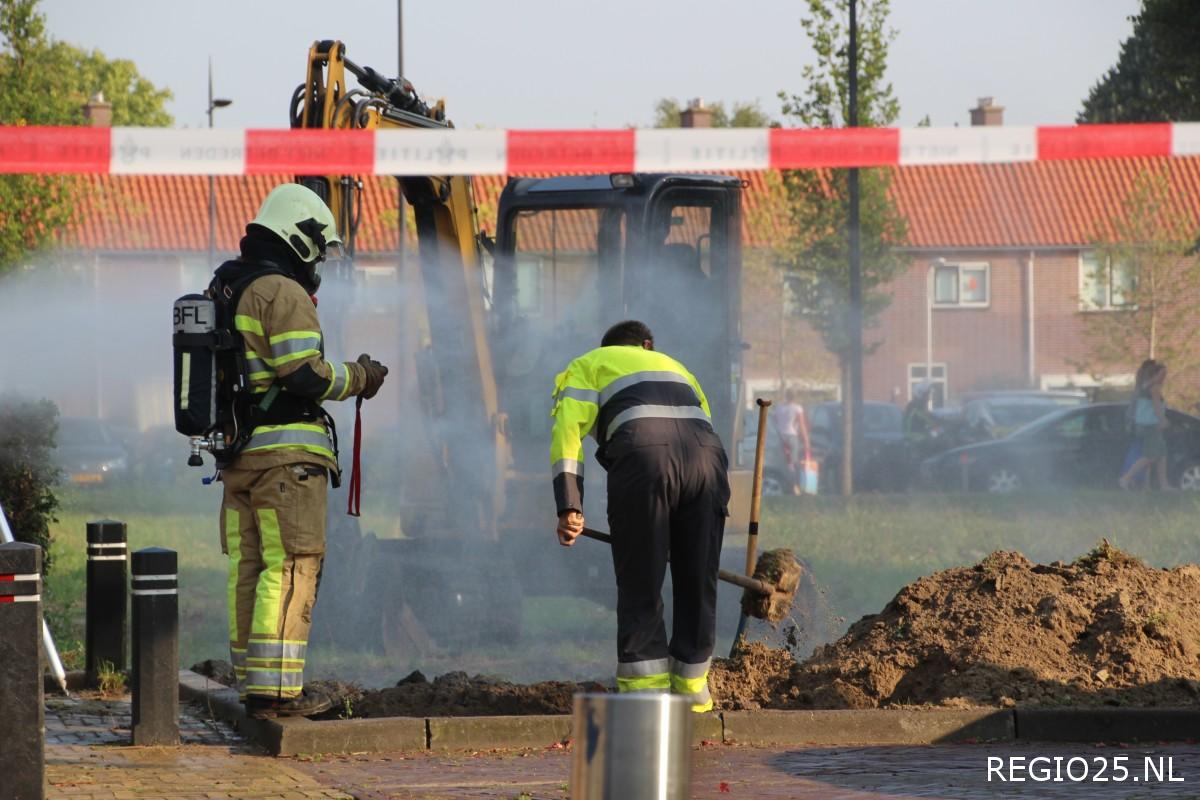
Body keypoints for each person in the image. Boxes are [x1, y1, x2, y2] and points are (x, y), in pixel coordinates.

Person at [214, 183, 389, 719]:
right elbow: (303, 374)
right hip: (285, 463)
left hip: (241, 460)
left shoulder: (228, 286)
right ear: (299, 237)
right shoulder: (280, 291)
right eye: (319, 248)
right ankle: (279, 692)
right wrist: (361, 377)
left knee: (251, 569)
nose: (319, 262)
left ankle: (253, 681)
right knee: (290, 567)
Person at [550, 320, 730, 713]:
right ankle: (693, 696)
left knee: (641, 579)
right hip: (707, 458)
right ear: (646, 345)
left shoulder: (587, 364)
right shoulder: (677, 366)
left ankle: (646, 702)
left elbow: (567, 434)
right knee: (697, 577)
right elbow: (704, 421)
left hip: (645, 459)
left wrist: (570, 505)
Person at [1120, 361, 1170, 490]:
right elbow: (1156, 407)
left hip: (1144, 425)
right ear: (1155, 374)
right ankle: (1126, 478)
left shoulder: (1144, 386)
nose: (1164, 377)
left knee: (1161, 455)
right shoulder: (1154, 388)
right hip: (1151, 426)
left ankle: (1163, 485)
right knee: (1150, 456)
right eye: (1162, 374)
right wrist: (1163, 420)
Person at [771, 389, 810, 494]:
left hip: (780, 437)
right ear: (795, 397)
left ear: (786, 396)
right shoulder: (797, 408)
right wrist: (806, 441)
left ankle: (785, 485)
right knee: (792, 462)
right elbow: (801, 425)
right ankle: (794, 486)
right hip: (792, 436)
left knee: (783, 462)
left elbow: (774, 420)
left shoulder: (779, 408)